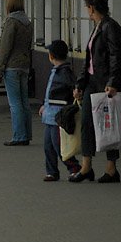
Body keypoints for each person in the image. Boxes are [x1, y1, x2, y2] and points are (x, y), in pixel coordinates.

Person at [70, 0, 121, 183]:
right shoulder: (98, 26)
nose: (87, 11)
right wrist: (80, 84)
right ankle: (86, 167)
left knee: (108, 124)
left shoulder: (109, 26)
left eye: (87, 7)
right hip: (92, 82)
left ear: (92, 7)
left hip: (105, 84)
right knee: (87, 122)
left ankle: (112, 169)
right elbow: (89, 61)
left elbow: (116, 56)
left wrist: (113, 82)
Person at [39, 39, 81, 181]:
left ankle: (73, 167)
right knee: (48, 146)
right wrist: (45, 105)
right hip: (50, 114)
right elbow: (51, 93)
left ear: (51, 56)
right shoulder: (57, 71)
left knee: (59, 145)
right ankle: (51, 171)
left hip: (59, 116)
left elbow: (68, 89)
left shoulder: (64, 72)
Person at [0, 0, 34, 146]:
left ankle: (19, 136)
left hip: (11, 66)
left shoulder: (11, 22)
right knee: (24, 101)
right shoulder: (27, 22)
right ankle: (27, 134)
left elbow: (5, 48)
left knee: (15, 103)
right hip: (24, 65)